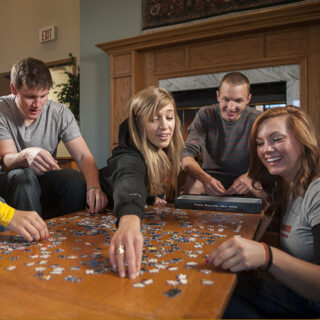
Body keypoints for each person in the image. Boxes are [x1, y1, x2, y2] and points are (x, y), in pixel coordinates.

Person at [207, 106, 320, 318]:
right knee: (217, 283)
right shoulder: (290, 186)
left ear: (303, 141)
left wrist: (267, 256)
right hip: (287, 290)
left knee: (213, 297)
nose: (266, 149)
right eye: (260, 143)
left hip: (309, 306)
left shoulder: (317, 191)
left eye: (277, 139)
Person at [0, 57, 107, 218]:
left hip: (43, 178)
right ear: (14, 89)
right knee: (24, 177)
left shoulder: (60, 113)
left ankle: (69, 234)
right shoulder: (2, 110)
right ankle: (32, 238)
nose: (37, 104)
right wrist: (26, 155)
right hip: (11, 179)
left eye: (43, 96)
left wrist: (94, 187)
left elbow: (84, 156)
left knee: (75, 179)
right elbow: (6, 161)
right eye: (30, 97)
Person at [100, 86, 184, 280]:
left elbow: (142, 181)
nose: (164, 126)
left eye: (169, 117)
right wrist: (129, 218)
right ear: (139, 125)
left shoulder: (161, 151)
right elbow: (129, 177)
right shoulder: (128, 156)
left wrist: (150, 196)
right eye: (154, 119)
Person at [181, 72, 262, 197]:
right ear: (218, 96)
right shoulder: (205, 114)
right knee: (192, 184)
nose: (231, 107)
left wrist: (251, 176)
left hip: (245, 177)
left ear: (248, 99)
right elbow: (186, 156)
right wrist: (205, 179)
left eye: (238, 101)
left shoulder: (257, 120)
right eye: (226, 99)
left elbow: (268, 158)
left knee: (264, 191)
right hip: (210, 177)